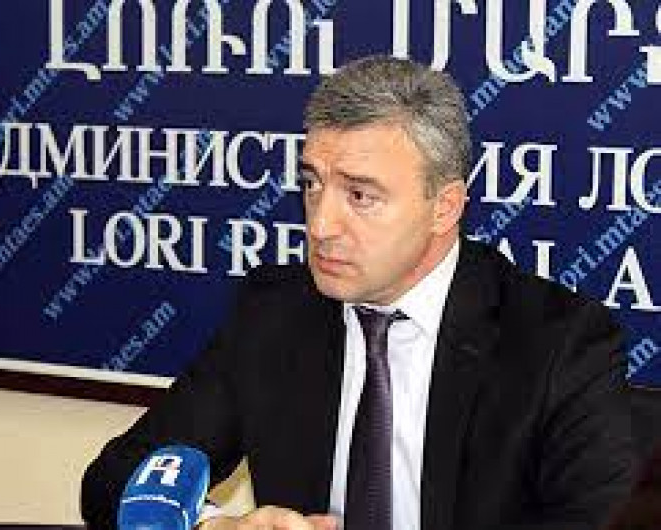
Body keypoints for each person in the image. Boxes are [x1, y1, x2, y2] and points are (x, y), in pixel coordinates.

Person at [81, 55, 638, 530]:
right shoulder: (274, 314)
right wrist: (211, 526)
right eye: (311, 184)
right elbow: (113, 480)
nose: (321, 224)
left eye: (360, 196)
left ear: (444, 207)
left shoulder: (558, 345)